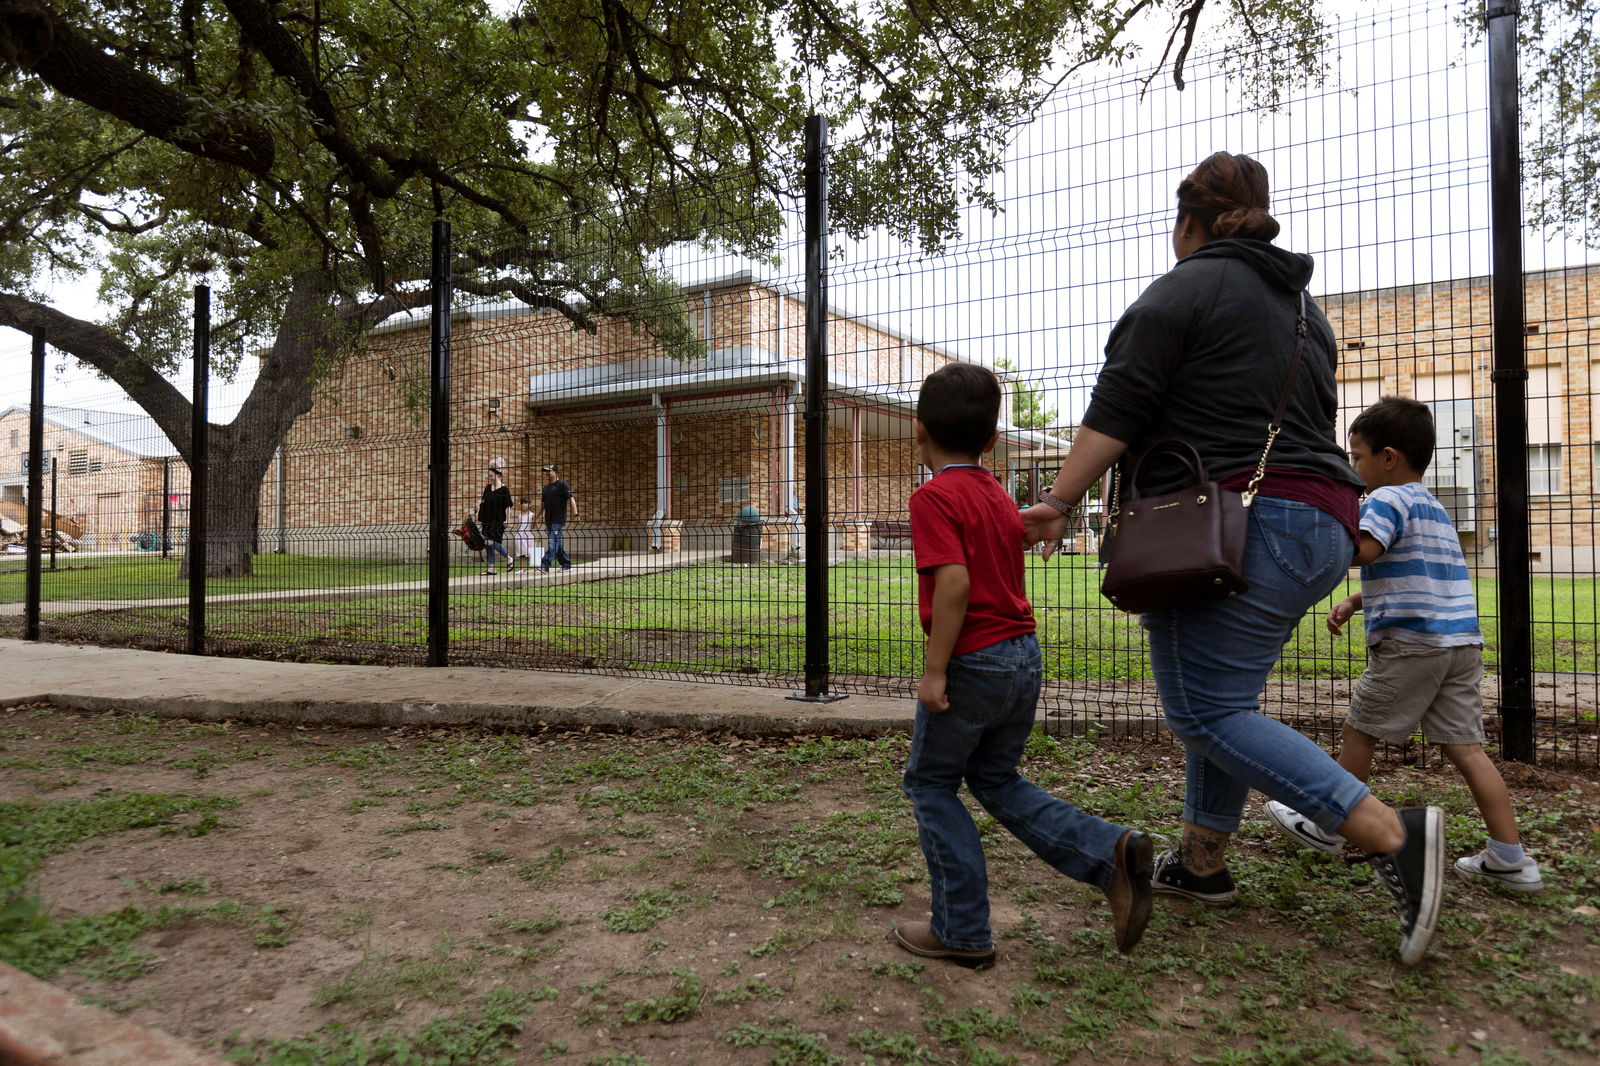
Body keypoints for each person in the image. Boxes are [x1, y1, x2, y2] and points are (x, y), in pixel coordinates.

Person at [1020, 152, 1446, 966]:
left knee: (1205, 710)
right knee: (1225, 694)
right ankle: (1204, 864)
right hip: (1323, 524)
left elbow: (1118, 408)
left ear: (1188, 223)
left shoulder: (1184, 288)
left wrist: (1059, 500)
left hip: (1237, 524)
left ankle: (1391, 832)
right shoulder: (1304, 312)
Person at [894, 361, 1154, 969]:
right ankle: (1109, 853)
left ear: (917, 431)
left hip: (973, 662)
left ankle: (961, 931)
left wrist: (935, 671)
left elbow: (954, 584)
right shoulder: (993, 493)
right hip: (1022, 658)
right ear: (992, 441)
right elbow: (1004, 540)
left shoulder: (932, 497)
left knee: (931, 783)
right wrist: (1023, 528)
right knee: (995, 778)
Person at [1263, 397, 1542, 892]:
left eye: (1357, 456)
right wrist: (1355, 601)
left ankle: (1328, 825)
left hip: (1412, 645)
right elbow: (1415, 575)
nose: (1354, 466)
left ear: (1387, 458)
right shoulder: (1432, 505)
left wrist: (1329, 525)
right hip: (1460, 645)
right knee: (1468, 750)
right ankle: (1510, 857)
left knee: (1360, 733)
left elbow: (1367, 549)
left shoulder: (1385, 500)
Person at [537, 464, 577, 572]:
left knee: (553, 542)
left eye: (549, 471)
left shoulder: (562, 485)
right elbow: (542, 505)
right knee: (556, 543)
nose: (546, 473)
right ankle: (566, 564)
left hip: (558, 520)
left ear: (555, 472)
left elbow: (571, 499)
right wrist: (536, 517)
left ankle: (544, 565)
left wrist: (575, 514)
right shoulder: (545, 488)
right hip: (548, 521)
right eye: (545, 471)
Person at [477, 459, 514, 575]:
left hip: (498, 521)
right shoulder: (487, 488)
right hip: (487, 520)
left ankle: (508, 557)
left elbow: (508, 506)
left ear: (498, 475)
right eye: (489, 476)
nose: (490, 478)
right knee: (487, 544)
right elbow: (483, 502)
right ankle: (491, 567)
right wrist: (477, 511)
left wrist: (508, 519)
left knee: (489, 541)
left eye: (491, 476)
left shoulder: (504, 489)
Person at [509, 495, 541, 570]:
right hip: (520, 535)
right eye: (522, 503)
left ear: (529, 504)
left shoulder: (532, 515)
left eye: (526, 503)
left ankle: (537, 566)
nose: (523, 504)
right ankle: (522, 569)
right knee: (521, 553)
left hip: (529, 535)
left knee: (531, 552)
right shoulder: (519, 515)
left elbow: (536, 525)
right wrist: (509, 526)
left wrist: (538, 533)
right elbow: (517, 525)